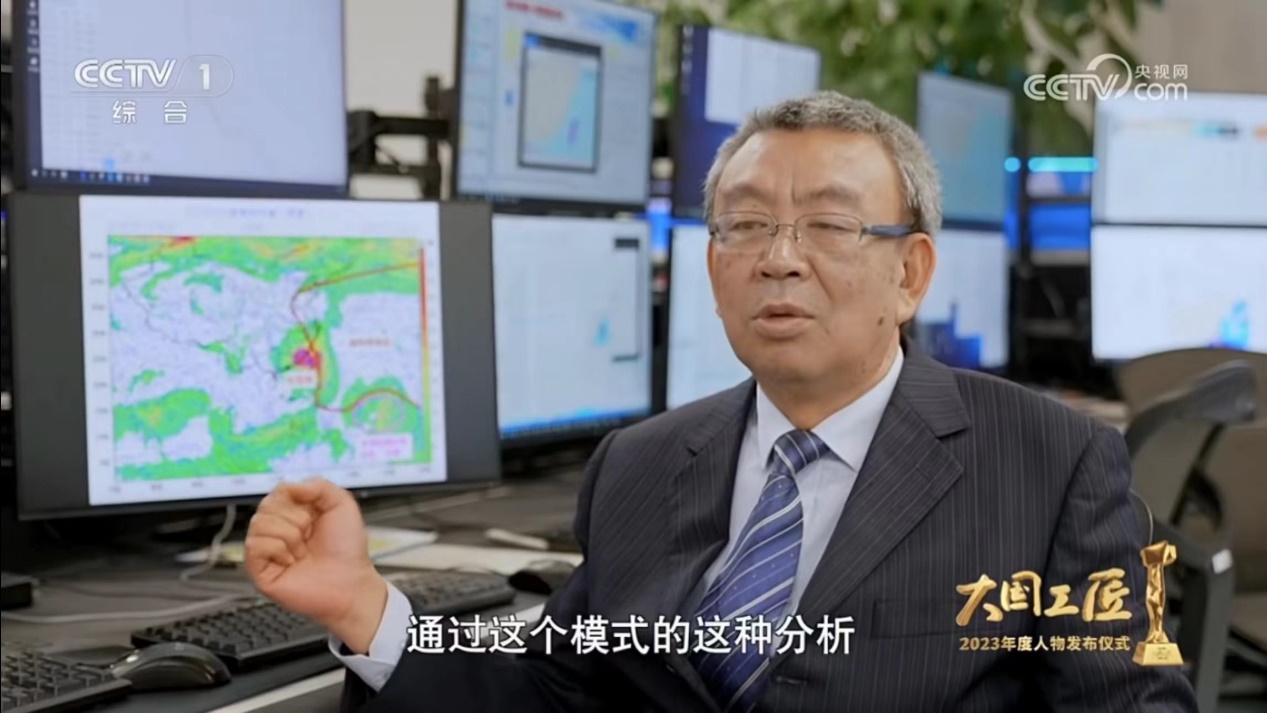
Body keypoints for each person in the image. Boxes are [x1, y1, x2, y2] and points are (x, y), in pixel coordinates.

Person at [245, 91, 1198, 712]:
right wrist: (367, 607)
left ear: (910, 273)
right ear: (710, 265)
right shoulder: (641, 462)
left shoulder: (1047, 460)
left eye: (827, 225)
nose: (778, 257)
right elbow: (562, 691)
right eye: (744, 225)